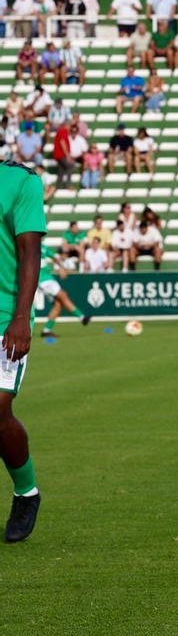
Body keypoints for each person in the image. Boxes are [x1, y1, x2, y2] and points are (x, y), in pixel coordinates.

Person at [0, 157, 47, 541]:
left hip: (5, 317)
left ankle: (26, 492)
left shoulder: (21, 181)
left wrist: (21, 317)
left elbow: (30, 252)